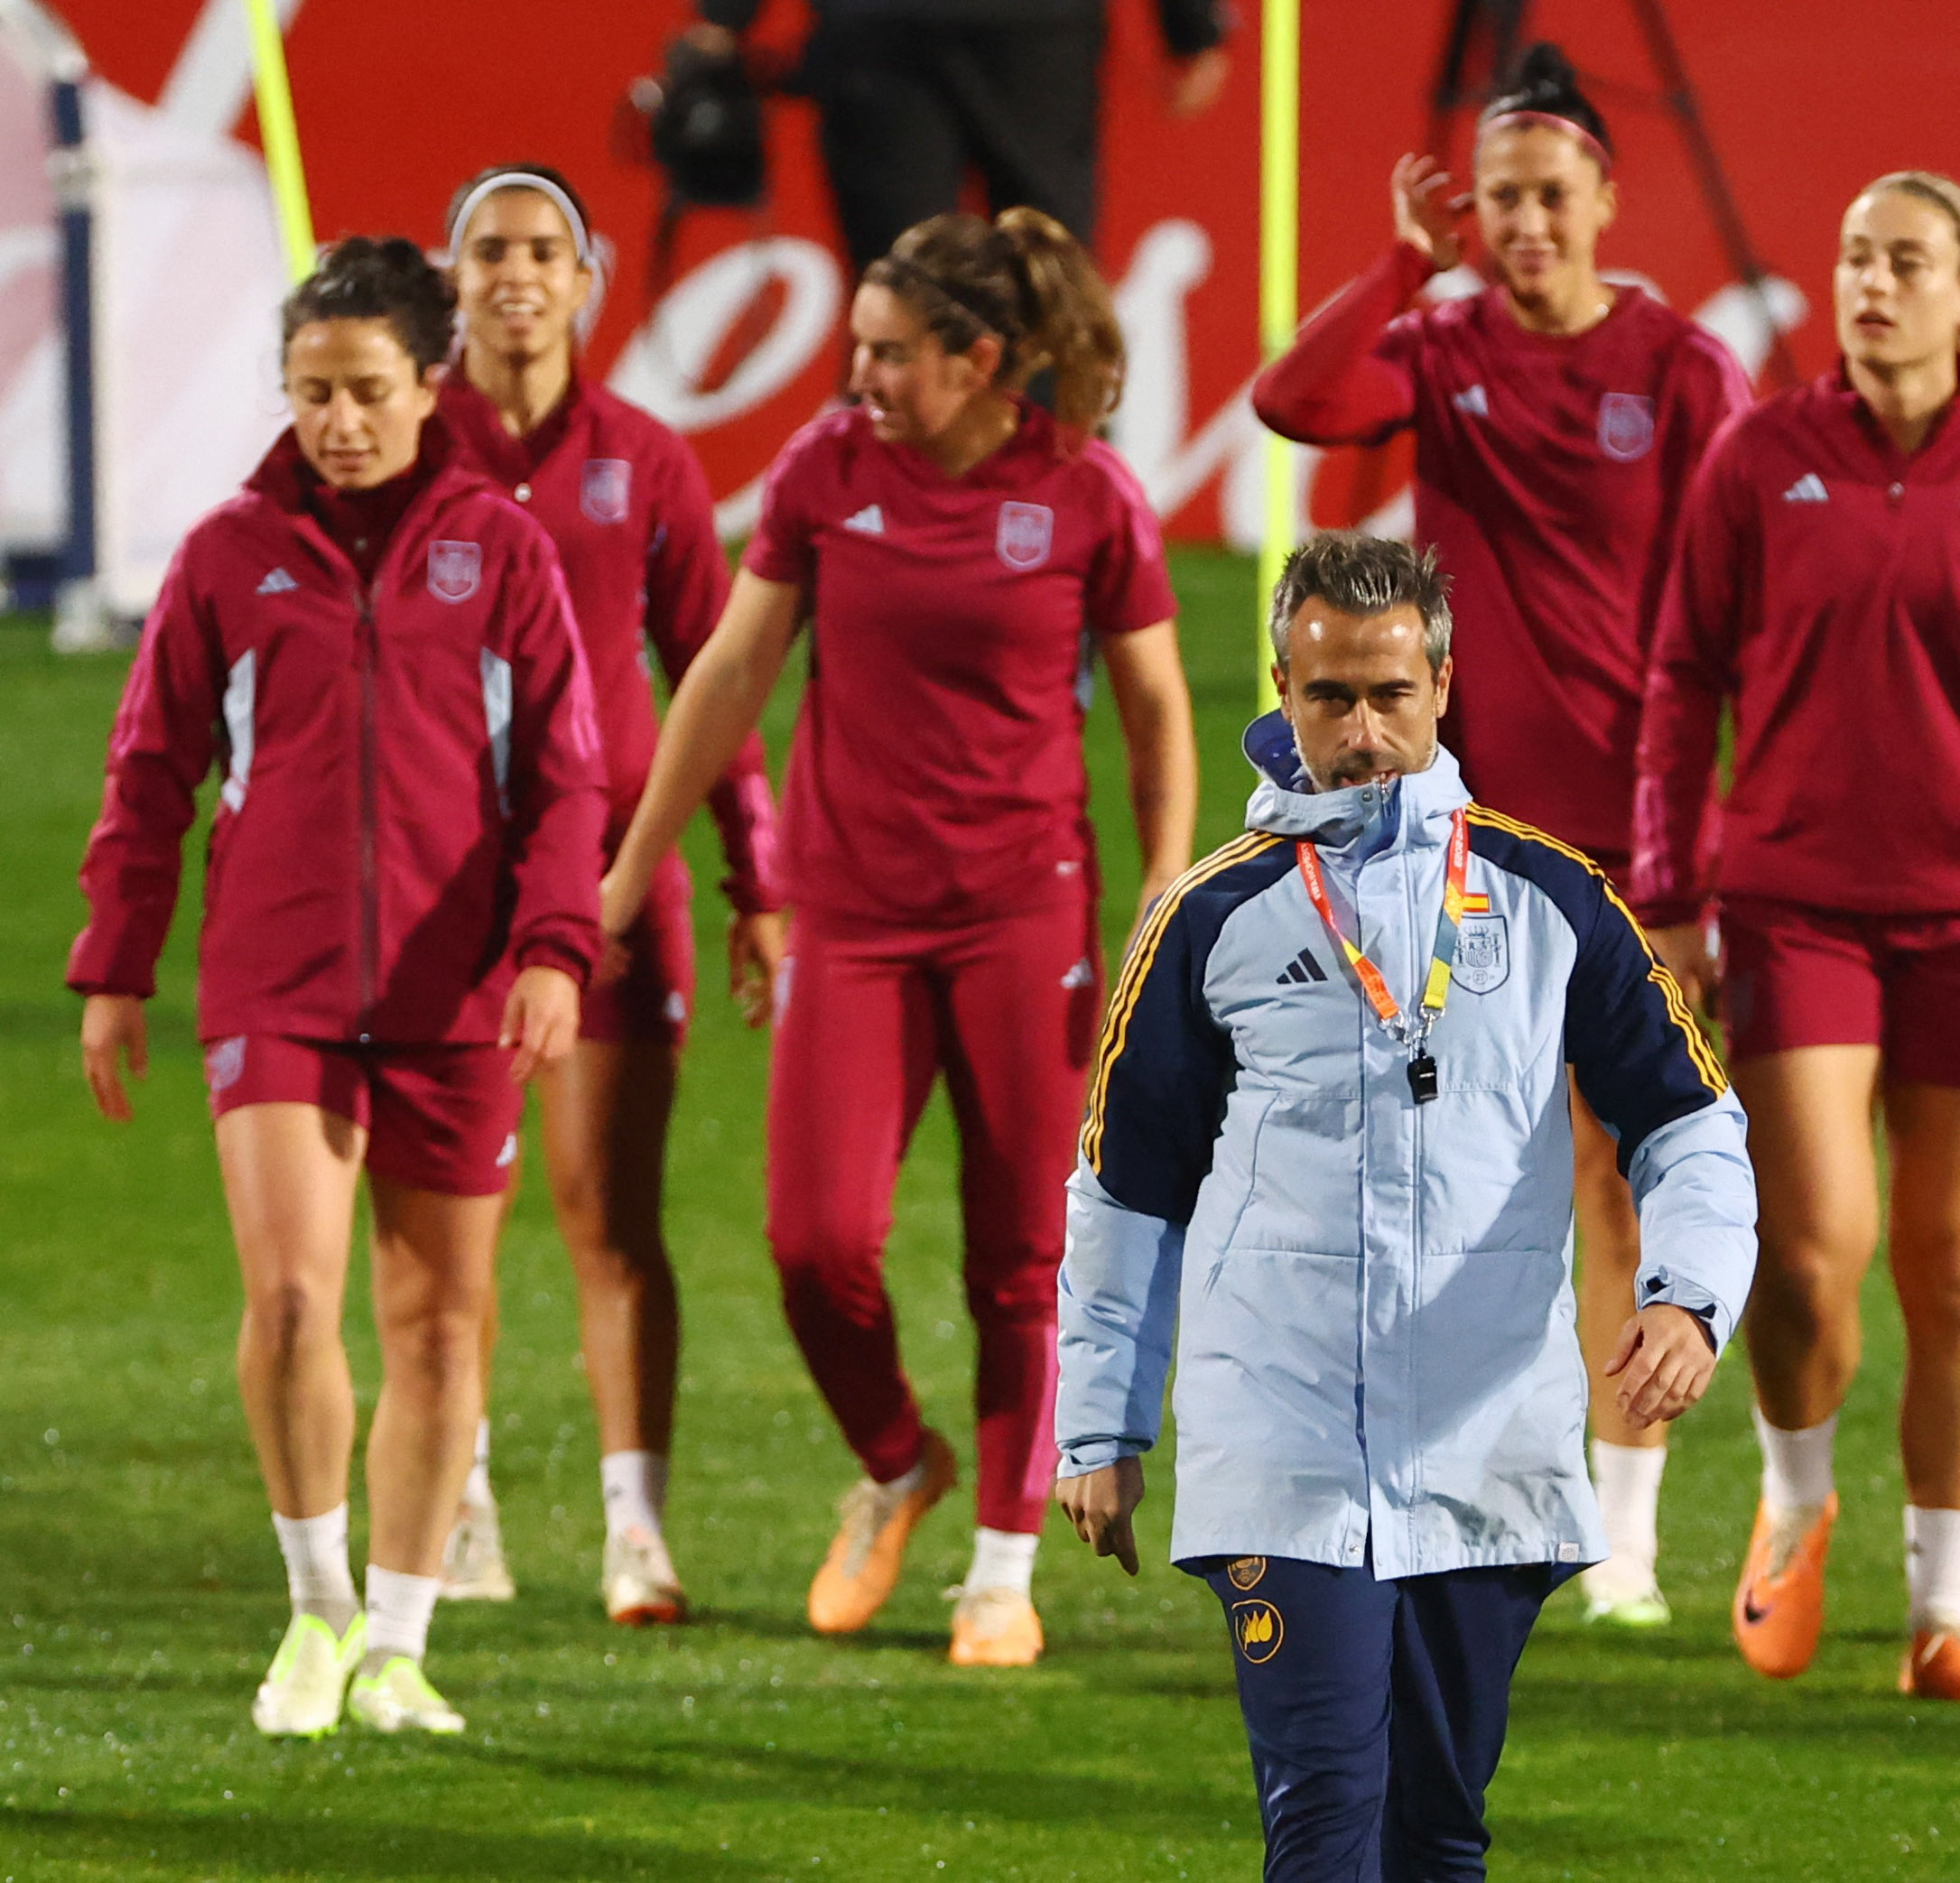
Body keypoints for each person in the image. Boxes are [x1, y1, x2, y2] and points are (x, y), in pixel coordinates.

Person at [1055, 531, 1757, 1878]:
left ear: (1443, 680)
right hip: (1281, 1442)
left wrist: (1687, 1293)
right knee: (1322, 1822)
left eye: (1390, 693)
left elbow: (1689, 1117)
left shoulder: (1549, 895)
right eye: (1330, 698)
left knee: (1437, 1832)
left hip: (1482, 1442)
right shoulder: (1210, 915)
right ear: (1281, 688)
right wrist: (1098, 1421)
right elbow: (1123, 1185)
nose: (1363, 731)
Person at [603, 207, 1196, 1667]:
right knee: (816, 1245)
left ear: (978, 358)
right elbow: (735, 668)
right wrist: (627, 872)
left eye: (886, 354)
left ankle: (1002, 1566)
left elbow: (1157, 712)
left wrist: (1166, 890)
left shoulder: (1085, 496)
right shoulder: (826, 471)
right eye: (855, 347)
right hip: (852, 916)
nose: (857, 375)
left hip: (1019, 915)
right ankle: (895, 1461)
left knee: (1022, 1253)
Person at [68, 237, 606, 1736]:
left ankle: (401, 1642)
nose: (341, 421)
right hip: (276, 981)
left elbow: (568, 780)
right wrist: (116, 969)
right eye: (313, 392)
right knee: (296, 1300)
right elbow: (150, 770)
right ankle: (315, 1615)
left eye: (369, 391)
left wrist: (555, 948)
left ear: (431, 388)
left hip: (458, 995)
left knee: (441, 1328)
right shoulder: (227, 555)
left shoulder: (504, 554)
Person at [1250, 42, 1753, 1628]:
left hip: (1641, 836)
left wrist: (1703, 851)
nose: (1527, 225)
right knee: (1465, 1171)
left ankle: (1632, 1521)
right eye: (1503, 201)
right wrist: (1404, 262)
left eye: (1552, 195)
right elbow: (1293, 399)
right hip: (1472, 845)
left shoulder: (1681, 370)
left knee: (1623, 1167)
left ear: (1607, 197)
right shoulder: (1446, 345)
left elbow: (1735, 618)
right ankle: (1487, 1487)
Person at [1634, 171, 1960, 1704]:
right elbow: (1679, 688)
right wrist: (1668, 896)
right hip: (1793, 910)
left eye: (1903, 261)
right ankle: (1796, 1505)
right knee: (1811, 1253)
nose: (1868, 283)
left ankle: (1945, 1620)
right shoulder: (1760, 455)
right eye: (1853, 255)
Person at [430, 163, 785, 1625]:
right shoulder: (400, 439)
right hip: (438, 892)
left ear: (589, 276)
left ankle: (635, 1529)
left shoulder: (645, 460)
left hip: (613, 888)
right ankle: (452, 1503)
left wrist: (756, 876)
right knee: (442, 1223)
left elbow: (722, 669)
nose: (516, 273)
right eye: (488, 247)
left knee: (606, 1213)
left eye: (542, 249)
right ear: (453, 278)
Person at [683, 0, 1232, 265]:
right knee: (1043, 279)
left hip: (885, 33)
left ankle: (887, 487)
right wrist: (1191, 26)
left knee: (901, 282)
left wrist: (725, 15)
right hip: (1033, 35)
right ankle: (1049, 483)